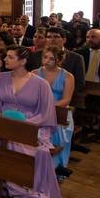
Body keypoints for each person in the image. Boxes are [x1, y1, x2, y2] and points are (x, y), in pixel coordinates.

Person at [0, 46, 64, 198]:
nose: (5, 60)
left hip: (31, 126)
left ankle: (20, 187)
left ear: (23, 61)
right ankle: (1, 183)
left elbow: (45, 113)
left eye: (10, 57)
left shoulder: (41, 84)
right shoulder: (1, 78)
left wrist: (24, 124)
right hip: (3, 123)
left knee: (25, 147)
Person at [35, 46, 75, 177]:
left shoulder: (67, 76)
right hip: (38, 111)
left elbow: (66, 99)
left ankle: (55, 169)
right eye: (45, 57)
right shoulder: (35, 73)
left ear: (59, 60)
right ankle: (38, 169)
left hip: (59, 113)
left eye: (51, 59)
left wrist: (48, 107)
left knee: (57, 133)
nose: (47, 61)